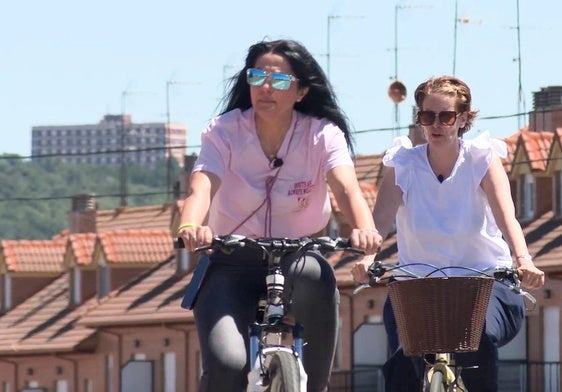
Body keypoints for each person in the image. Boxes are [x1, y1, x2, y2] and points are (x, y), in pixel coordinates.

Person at [178, 38, 382, 392]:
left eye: (280, 80)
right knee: (228, 363)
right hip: (230, 259)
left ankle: (315, 385)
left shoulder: (322, 134)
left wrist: (365, 232)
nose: (266, 88)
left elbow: (347, 188)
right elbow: (202, 186)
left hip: (298, 255)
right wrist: (190, 226)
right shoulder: (223, 131)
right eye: (257, 77)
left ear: (301, 91)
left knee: (318, 277)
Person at [351, 75, 545, 392]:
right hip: (417, 287)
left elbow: (506, 216)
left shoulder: (482, 159)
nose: (436, 125)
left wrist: (524, 260)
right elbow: (379, 223)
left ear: (464, 118)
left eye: (447, 116)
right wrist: (367, 258)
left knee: (477, 339)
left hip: (486, 282)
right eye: (428, 116)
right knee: (403, 364)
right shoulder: (403, 164)